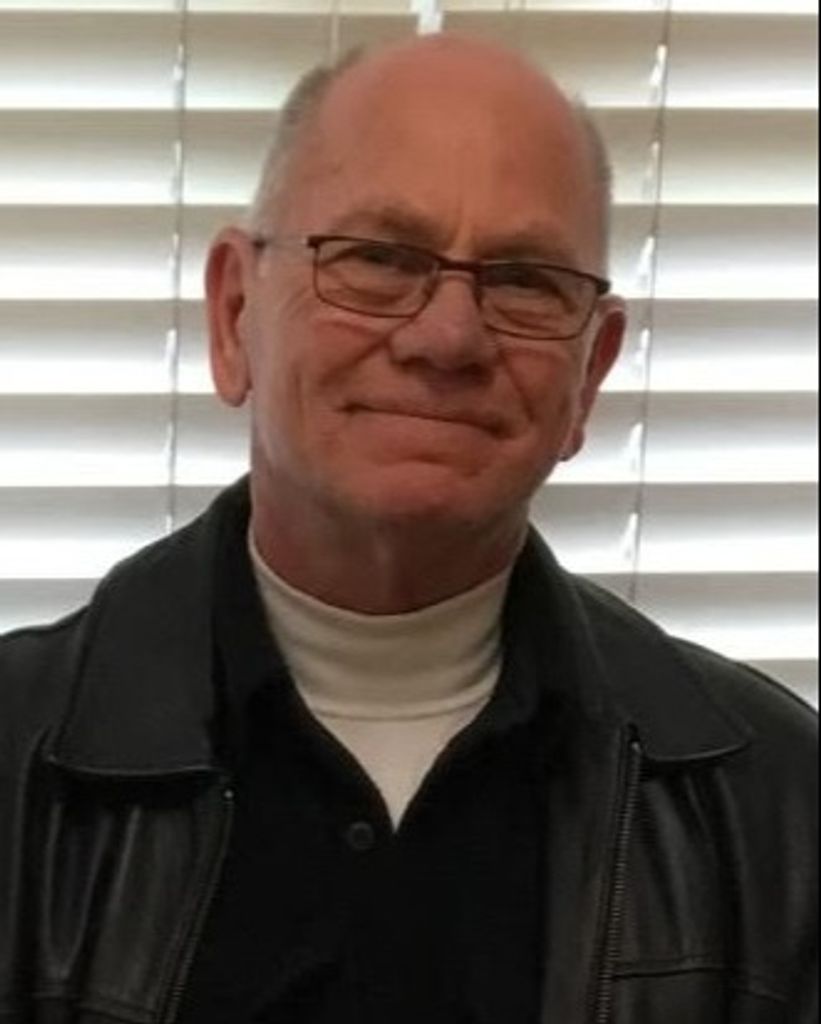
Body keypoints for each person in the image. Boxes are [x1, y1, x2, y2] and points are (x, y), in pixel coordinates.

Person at [0, 32, 816, 1024]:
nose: (447, 337)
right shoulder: (16, 767)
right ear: (233, 314)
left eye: (524, 280)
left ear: (590, 374)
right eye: (377, 259)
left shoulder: (777, 813)